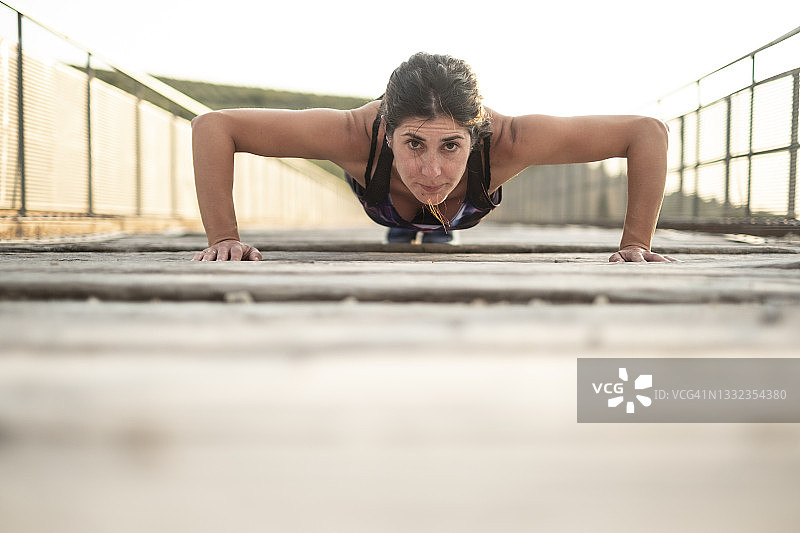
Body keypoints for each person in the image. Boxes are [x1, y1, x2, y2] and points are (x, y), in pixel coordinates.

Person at [191, 52, 676, 263]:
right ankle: (406, 223)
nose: (431, 170)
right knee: (407, 213)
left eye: (451, 146)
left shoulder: (510, 140)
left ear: (476, 135)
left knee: (438, 218)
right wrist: (224, 238)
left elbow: (647, 134)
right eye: (413, 144)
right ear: (385, 134)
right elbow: (214, 127)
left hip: (460, 212)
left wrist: (635, 242)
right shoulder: (352, 135)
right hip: (383, 195)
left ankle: (432, 226)